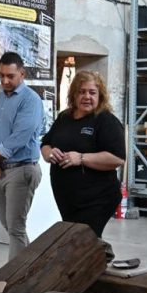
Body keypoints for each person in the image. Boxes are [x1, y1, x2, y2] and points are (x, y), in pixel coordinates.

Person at [41, 70, 125, 240]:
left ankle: (101, 256)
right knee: (80, 242)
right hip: (68, 198)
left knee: (82, 242)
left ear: (100, 96)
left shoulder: (106, 120)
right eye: (82, 92)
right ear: (74, 94)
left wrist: (80, 158)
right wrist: (50, 153)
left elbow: (117, 158)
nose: (87, 97)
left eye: (92, 92)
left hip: (97, 198)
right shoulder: (64, 117)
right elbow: (45, 144)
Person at [0, 52, 45, 259]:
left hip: (21, 169)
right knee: (10, 227)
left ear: (22, 74)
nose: (5, 80)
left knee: (16, 229)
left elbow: (19, 138)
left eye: (10, 76)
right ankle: (33, 265)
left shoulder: (30, 100)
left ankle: (16, 276)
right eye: (2, 75)